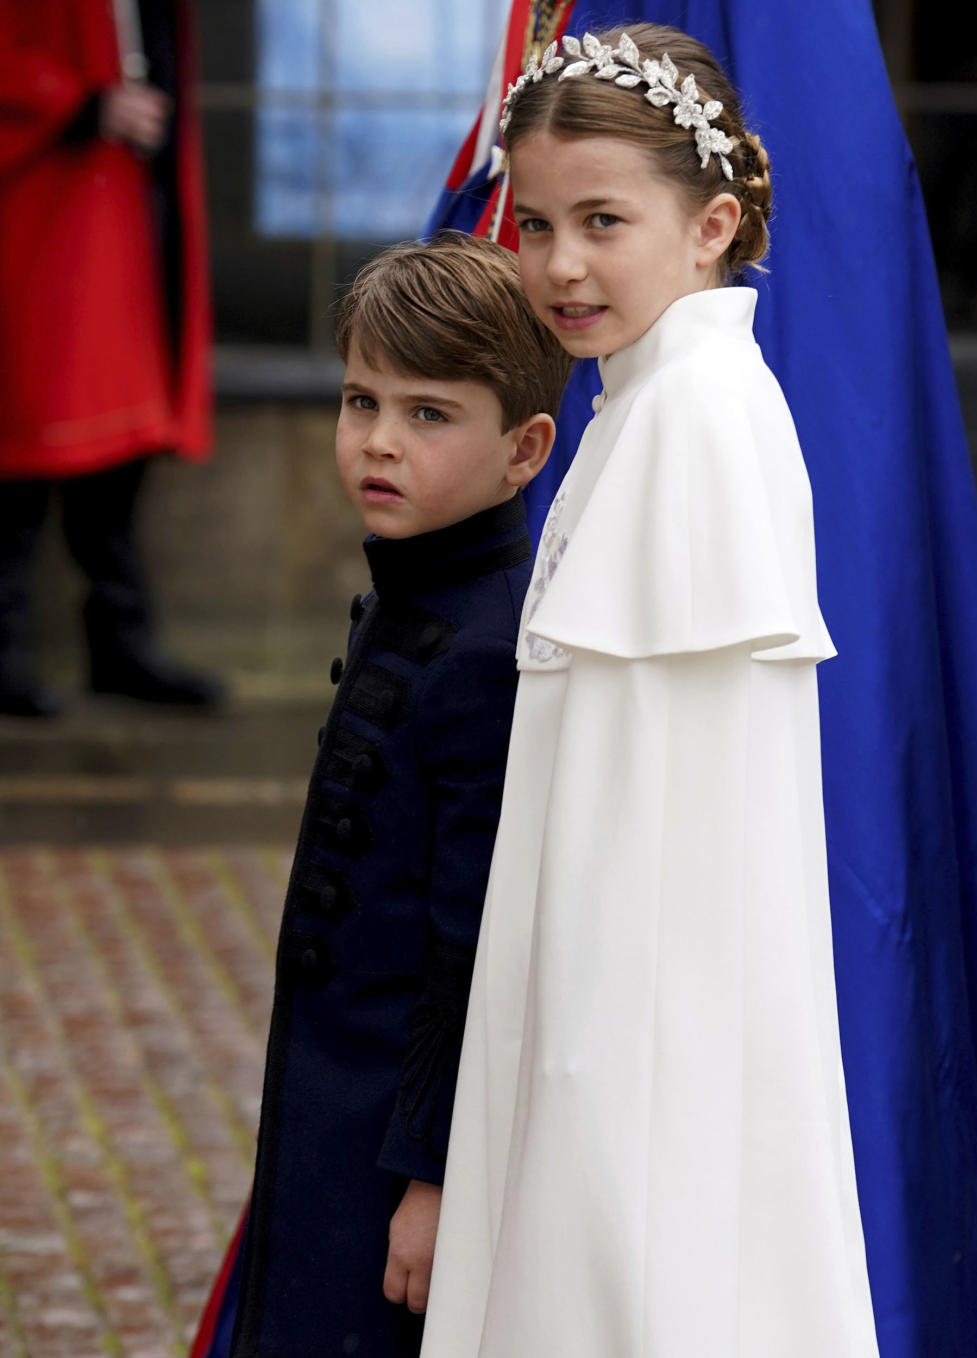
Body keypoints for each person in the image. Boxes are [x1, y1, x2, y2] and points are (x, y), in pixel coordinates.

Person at [421, 25, 880, 1358]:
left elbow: (673, 791)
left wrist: (581, 1057)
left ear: (711, 225)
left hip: (637, 1005)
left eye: (603, 221)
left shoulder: (698, 419)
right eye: (536, 221)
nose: (560, 264)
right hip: (596, 978)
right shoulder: (644, 401)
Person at [194, 233, 572, 1358]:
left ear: (526, 448)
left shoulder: (487, 649)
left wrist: (433, 1174)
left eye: (429, 414)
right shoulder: (410, 598)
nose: (378, 442)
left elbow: (472, 946)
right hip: (327, 1090)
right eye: (362, 400)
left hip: (392, 1134)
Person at [0, 0, 219, 715]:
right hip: (45, 197)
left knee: (117, 439)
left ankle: (120, 642)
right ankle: (11, 651)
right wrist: (81, 102)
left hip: (120, 194)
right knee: (26, 437)